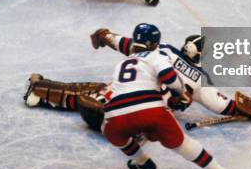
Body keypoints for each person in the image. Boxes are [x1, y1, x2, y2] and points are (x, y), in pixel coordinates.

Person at [101, 23, 235, 169]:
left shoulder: (124, 62)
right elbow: (221, 105)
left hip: (116, 113)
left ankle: (142, 161)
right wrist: (181, 93)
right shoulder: (159, 55)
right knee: (183, 144)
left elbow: (120, 42)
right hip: (153, 110)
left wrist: (106, 36)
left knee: (110, 130)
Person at [91, 28, 239, 117]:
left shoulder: (163, 49)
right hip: (144, 112)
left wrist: (107, 36)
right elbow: (222, 106)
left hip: (119, 96)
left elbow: (128, 44)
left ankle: (95, 98)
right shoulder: (201, 79)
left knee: (121, 84)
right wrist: (242, 110)